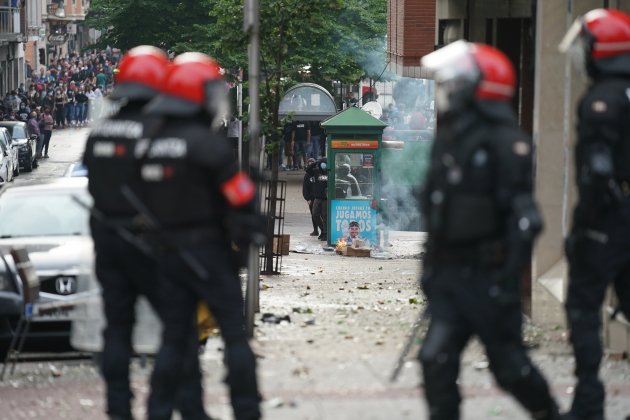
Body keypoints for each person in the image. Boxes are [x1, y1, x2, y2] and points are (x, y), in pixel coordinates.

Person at [417, 41, 564, 420]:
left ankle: (549, 413)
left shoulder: (507, 144)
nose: (449, 90)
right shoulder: (450, 138)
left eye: (456, 82)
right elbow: (435, 210)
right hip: (450, 276)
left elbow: (526, 220)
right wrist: (431, 273)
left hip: (488, 279)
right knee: (435, 359)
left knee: (509, 368)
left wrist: (506, 280)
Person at [83, 46, 208, 420]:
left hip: (108, 242)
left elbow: (93, 184)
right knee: (179, 329)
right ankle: (174, 408)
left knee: (118, 330)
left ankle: (119, 410)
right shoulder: (160, 131)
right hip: (152, 244)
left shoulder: (100, 131)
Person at [139, 52, 263, 420]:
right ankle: (246, 409)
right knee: (233, 336)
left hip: (168, 256)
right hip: (210, 254)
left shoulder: (151, 144)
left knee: (174, 340)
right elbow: (240, 197)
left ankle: (163, 410)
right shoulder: (209, 145)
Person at [559, 9, 630, 420]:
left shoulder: (601, 99)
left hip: (610, 218)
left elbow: (598, 170)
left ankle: (588, 403)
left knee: (584, 306)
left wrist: (584, 225)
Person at [312, 157, 328, 241]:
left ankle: (325, 233)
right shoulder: (316, 171)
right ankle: (322, 229)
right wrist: (315, 163)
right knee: (315, 214)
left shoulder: (330, 172)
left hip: (326, 198)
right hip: (317, 197)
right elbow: (308, 171)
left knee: (325, 216)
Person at [303, 158, 319, 236]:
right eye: (309, 162)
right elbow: (305, 188)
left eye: (312, 162)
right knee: (314, 215)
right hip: (312, 198)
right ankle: (315, 230)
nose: (311, 164)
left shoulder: (318, 173)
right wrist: (307, 198)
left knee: (321, 215)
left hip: (319, 197)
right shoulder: (307, 175)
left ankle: (323, 230)